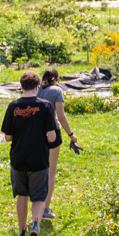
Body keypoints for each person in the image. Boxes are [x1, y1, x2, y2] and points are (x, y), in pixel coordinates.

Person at [0, 72, 57, 236]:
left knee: (22, 195)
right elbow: (52, 136)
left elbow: (8, 136)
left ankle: (22, 233)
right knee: (39, 196)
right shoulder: (46, 106)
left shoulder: (13, 106)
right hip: (39, 158)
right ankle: (35, 225)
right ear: (38, 86)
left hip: (18, 158)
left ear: (21, 87)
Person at [37, 68, 79, 223]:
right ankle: (46, 209)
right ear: (56, 78)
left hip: (36, 133)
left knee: (38, 170)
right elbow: (61, 116)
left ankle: (36, 204)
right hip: (52, 131)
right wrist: (71, 134)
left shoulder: (36, 89)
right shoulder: (57, 91)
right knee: (51, 171)